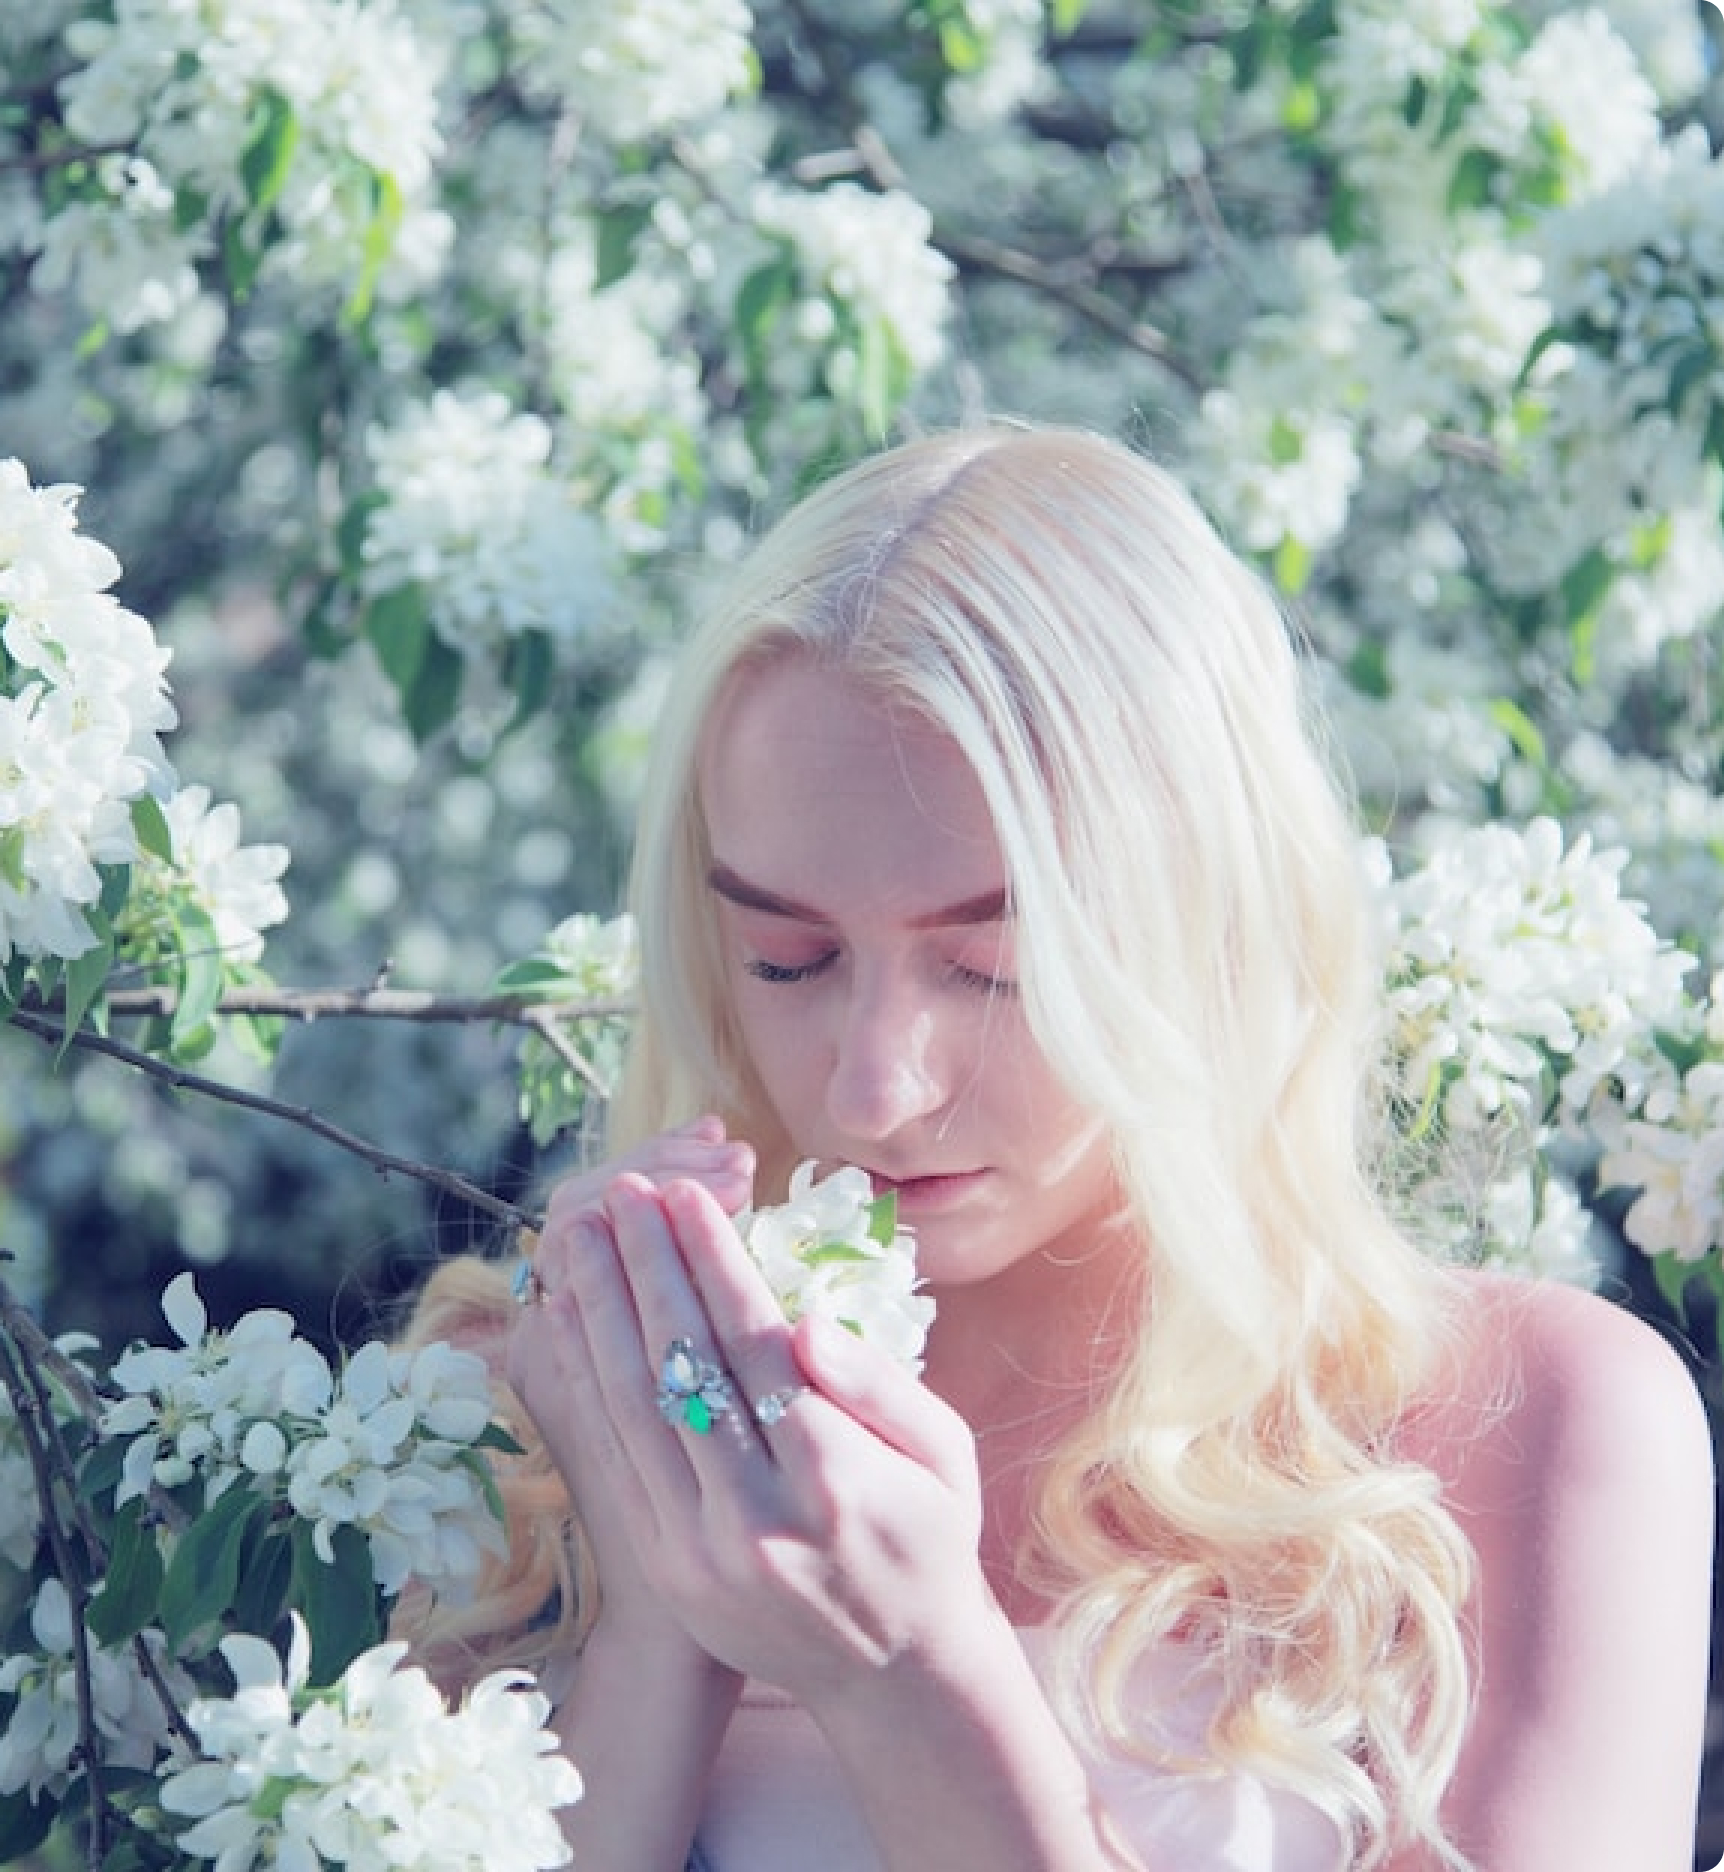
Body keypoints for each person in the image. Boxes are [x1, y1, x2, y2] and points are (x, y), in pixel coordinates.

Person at [400, 423, 1714, 1871]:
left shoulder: (1524, 1429)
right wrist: (663, 1611)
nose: (875, 1087)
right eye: (788, 958)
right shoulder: (522, 1416)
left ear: (1212, 917)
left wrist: (913, 1680)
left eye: (997, 967)